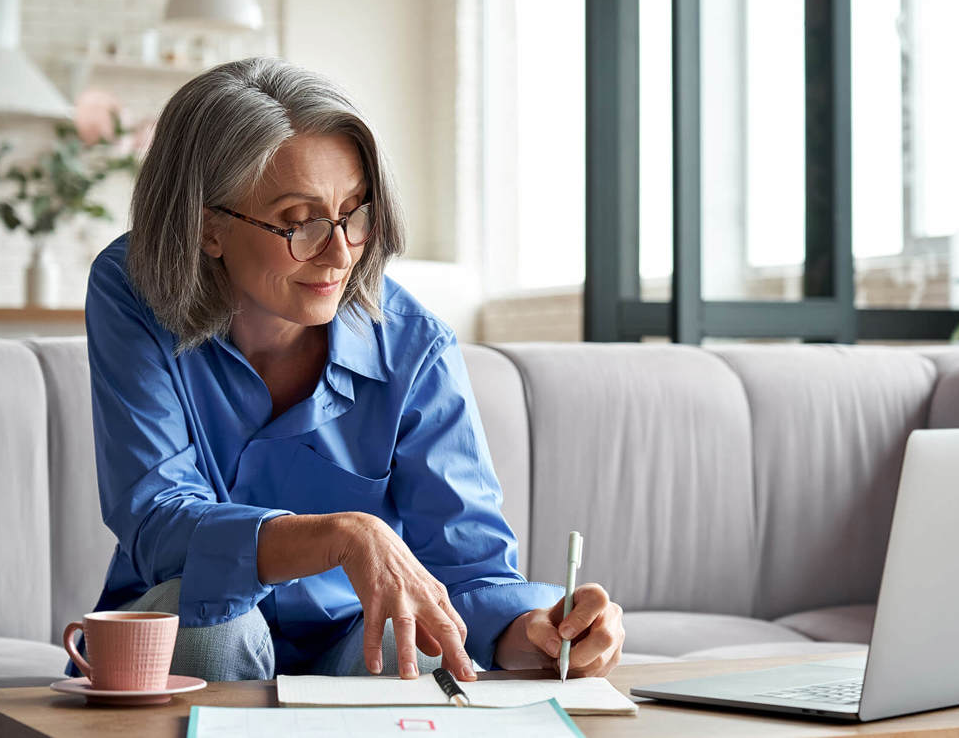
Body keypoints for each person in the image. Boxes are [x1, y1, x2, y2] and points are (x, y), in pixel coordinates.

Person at [78, 57, 624, 683]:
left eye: (356, 213)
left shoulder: (415, 345)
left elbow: (469, 571)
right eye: (300, 222)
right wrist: (341, 535)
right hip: (194, 630)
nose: (340, 253)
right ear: (209, 229)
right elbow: (157, 518)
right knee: (210, 617)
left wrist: (538, 633)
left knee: (415, 637)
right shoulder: (134, 290)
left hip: (352, 639)